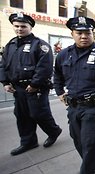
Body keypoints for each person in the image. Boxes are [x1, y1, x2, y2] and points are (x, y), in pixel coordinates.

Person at [53, 16, 95, 174]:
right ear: (72, 34)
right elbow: (57, 75)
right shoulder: (64, 55)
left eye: (88, 33)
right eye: (79, 33)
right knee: (78, 140)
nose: (84, 36)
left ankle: (87, 170)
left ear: (93, 34)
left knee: (90, 142)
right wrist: (59, 92)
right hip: (73, 107)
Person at [0, 13, 62, 156]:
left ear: (30, 27)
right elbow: (3, 65)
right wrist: (5, 82)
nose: (19, 29)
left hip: (36, 88)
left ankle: (54, 131)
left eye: (23, 26)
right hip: (18, 88)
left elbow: (45, 68)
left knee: (38, 113)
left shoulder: (40, 45)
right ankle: (28, 142)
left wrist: (34, 84)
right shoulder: (10, 45)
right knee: (21, 115)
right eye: (16, 26)